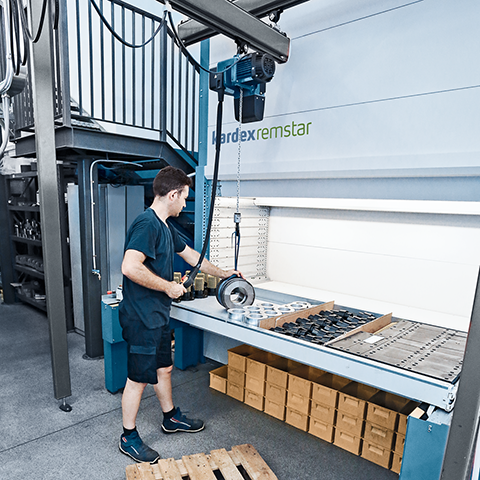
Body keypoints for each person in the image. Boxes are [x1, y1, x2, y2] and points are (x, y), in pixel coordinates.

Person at [118, 166, 242, 463]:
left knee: (164, 369)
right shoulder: (147, 225)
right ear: (172, 195)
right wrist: (168, 287)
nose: (185, 204)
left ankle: (170, 418)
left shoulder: (165, 226)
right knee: (138, 379)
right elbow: (129, 267)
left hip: (157, 315)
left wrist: (225, 273)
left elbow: (193, 257)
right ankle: (128, 436)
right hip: (141, 317)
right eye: (184, 198)